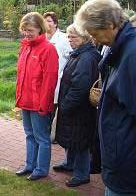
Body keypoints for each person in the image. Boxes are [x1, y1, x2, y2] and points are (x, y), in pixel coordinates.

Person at [75, 0, 136, 195]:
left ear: (110, 25)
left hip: (127, 168)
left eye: (95, 33)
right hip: (117, 162)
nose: (93, 39)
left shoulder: (132, 55)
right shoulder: (117, 50)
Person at [53, 24, 101, 187]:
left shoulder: (87, 57)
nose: (70, 40)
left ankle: (82, 174)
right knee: (71, 137)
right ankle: (70, 163)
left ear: (85, 38)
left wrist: (66, 105)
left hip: (79, 109)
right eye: (69, 36)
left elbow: (80, 87)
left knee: (80, 141)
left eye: (74, 37)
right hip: (73, 107)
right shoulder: (79, 54)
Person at [15, 12, 58, 181]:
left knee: (42, 138)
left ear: (40, 28)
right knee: (29, 134)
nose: (27, 33)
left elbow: (50, 79)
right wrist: (18, 98)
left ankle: (41, 169)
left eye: (30, 30)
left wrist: (44, 104)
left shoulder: (48, 49)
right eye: (24, 30)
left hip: (39, 103)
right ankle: (29, 165)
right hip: (25, 101)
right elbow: (21, 76)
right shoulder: (25, 46)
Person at [43, 12, 72, 144]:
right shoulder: (42, 37)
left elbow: (70, 57)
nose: (47, 23)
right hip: (43, 80)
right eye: (45, 21)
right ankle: (46, 132)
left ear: (55, 23)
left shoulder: (63, 39)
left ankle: (53, 135)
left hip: (58, 79)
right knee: (45, 107)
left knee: (55, 109)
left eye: (49, 21)